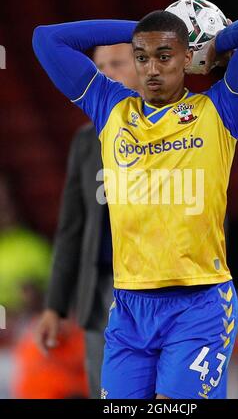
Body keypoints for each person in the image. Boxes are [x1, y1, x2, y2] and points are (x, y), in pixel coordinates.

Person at [32, 9, 238, 399]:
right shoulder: (110, 107)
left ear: (186, 58)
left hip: (198, 304)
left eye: (164, 55)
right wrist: (144, 31)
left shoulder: (220, 109)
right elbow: (46, 38)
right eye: (142, 56)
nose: (151, 68)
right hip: (130, 306)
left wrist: (212, 44)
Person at [35, 43, 141, 399]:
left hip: (165, 287)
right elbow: (71, 228)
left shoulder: (177, 131)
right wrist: (55, 304)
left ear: (144, 67)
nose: (107, 73)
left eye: (117, 63)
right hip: (102, 292)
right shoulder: (85, 141)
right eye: (99, 66)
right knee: (109, 395)